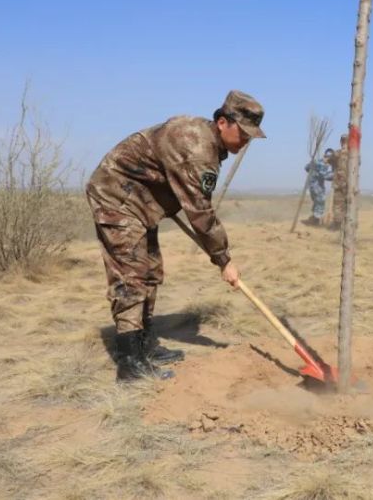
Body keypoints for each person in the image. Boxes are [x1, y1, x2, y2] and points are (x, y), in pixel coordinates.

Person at [86, 90, 266, 382]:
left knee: (151, 271)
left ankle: (145, 346)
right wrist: (223, 259)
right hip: (116, 198)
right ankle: (130, 365)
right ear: (223, 122)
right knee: (132, 275)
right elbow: (201, 213)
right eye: (243, 132)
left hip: (142, 202)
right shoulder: (195, 146)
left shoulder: (208, 143)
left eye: (250, 136)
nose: (245, 141)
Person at [304, 149, 334, 226]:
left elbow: (307, 167)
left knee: (317, 203)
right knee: (321, 202)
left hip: (312, 186)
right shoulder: (323, 164)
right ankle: (316, 220)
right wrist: (335, 174)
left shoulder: (316, 161)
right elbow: (325, 175)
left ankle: (313, 218)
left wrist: (314, 172)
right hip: (317, 187)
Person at [328, 135, 349, 230]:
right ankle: (347, 225)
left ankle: (337, 225)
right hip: (350, 184)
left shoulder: (337, 153)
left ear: (341, 142)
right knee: (348, 204)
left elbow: (329, 160)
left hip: (339, 183)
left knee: (337, 205)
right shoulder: (354, 155)